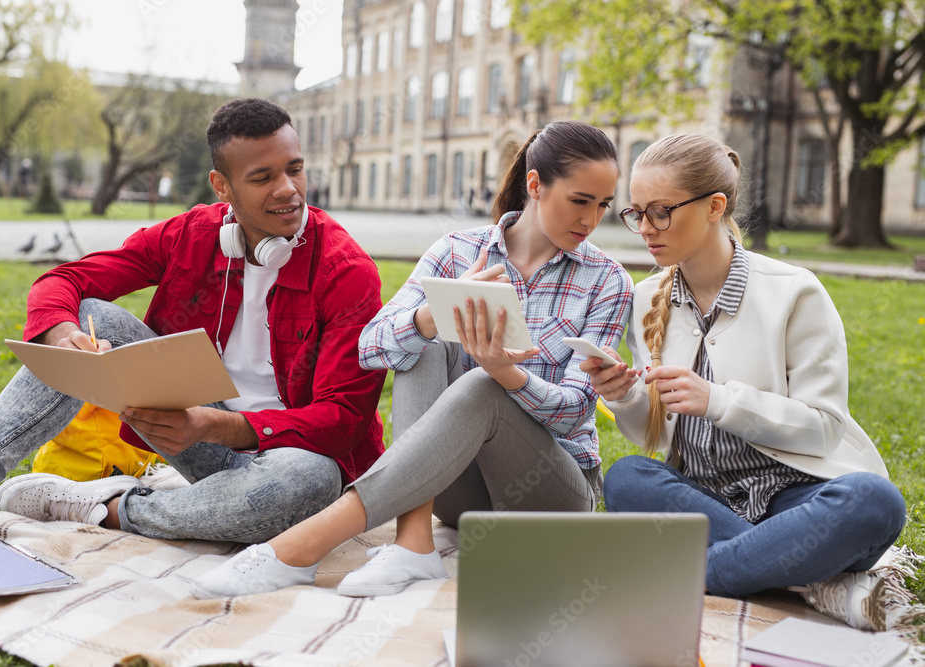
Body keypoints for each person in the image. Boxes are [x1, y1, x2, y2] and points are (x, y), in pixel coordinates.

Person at [191, 120, 634, 599]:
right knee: (424, 340)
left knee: (482, 387)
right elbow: (372, 347)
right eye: (581, 200)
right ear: (535, 185)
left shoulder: (608, 281)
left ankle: (298, 548)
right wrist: (428, 318)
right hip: (460, 494)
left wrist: (506, 374)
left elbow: (574, 414)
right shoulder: (457, 251)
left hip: (553, 495)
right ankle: (414, 542)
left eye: (604, 204)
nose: (592, 220)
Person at [0, 98, 386, 547]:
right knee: (91, 316)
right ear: (221, 186)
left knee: (315, 481)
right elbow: (66, 279)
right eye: (263, 177)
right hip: (193, 430)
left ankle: (102, 506)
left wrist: (212, 425)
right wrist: (63, 335)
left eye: (295, 168)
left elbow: (342, 420)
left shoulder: (346, 271)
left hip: (290, 454)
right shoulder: (191, 235)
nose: (288, 188)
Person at [581, 133, 905, 631]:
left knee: (874, 502)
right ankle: (809, 580)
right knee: (627, 478)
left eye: (661, 211)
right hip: (703, 496)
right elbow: (661, 437)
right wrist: (624, 395)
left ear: (715, 206)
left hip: (794, 495)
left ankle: (707, 570)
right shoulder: (647, 299)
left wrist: (718, 401)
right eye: (636, 213)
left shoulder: (794, 292)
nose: (645, 228)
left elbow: (824, 428)